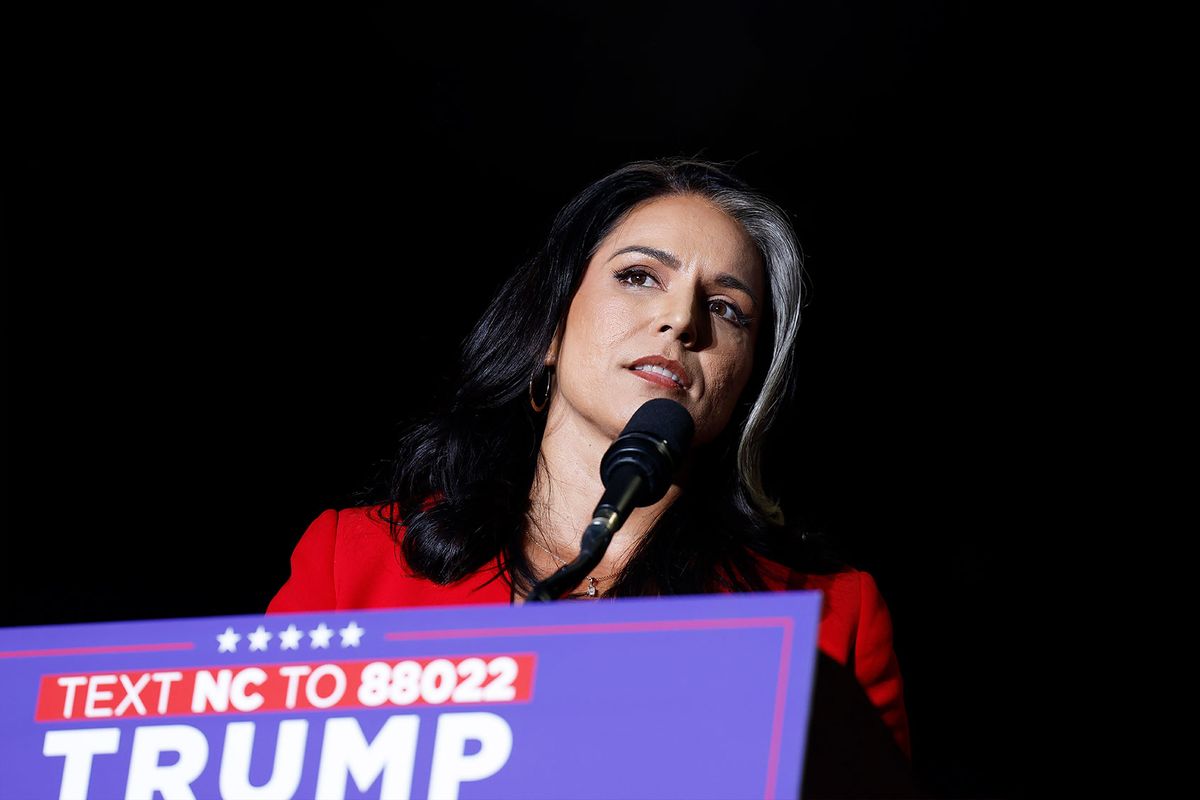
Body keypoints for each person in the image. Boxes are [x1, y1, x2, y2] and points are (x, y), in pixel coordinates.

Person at [267, 157, 913, 772]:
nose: (680, 320)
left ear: (743, 384)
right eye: (639, 277)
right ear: (551, 325)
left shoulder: (833, 616)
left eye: (726, 309)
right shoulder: (349, 563)